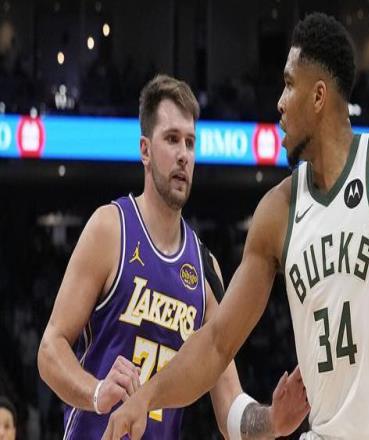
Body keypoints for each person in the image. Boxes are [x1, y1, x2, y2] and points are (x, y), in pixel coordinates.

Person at [103, 13, 369, 440]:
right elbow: (217, 342)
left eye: (289, 85)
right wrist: (147, 397)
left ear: (318, 96)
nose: (279, 102)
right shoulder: (276, 212)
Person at [37, 74, 309, 439]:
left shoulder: (205, 268)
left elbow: (230, 405)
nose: (183, 154)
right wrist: (97, 393)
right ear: (145, 151)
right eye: (171, 139)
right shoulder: (111, 228)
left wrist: (273, 420)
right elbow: (50, 350)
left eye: (190, 142)